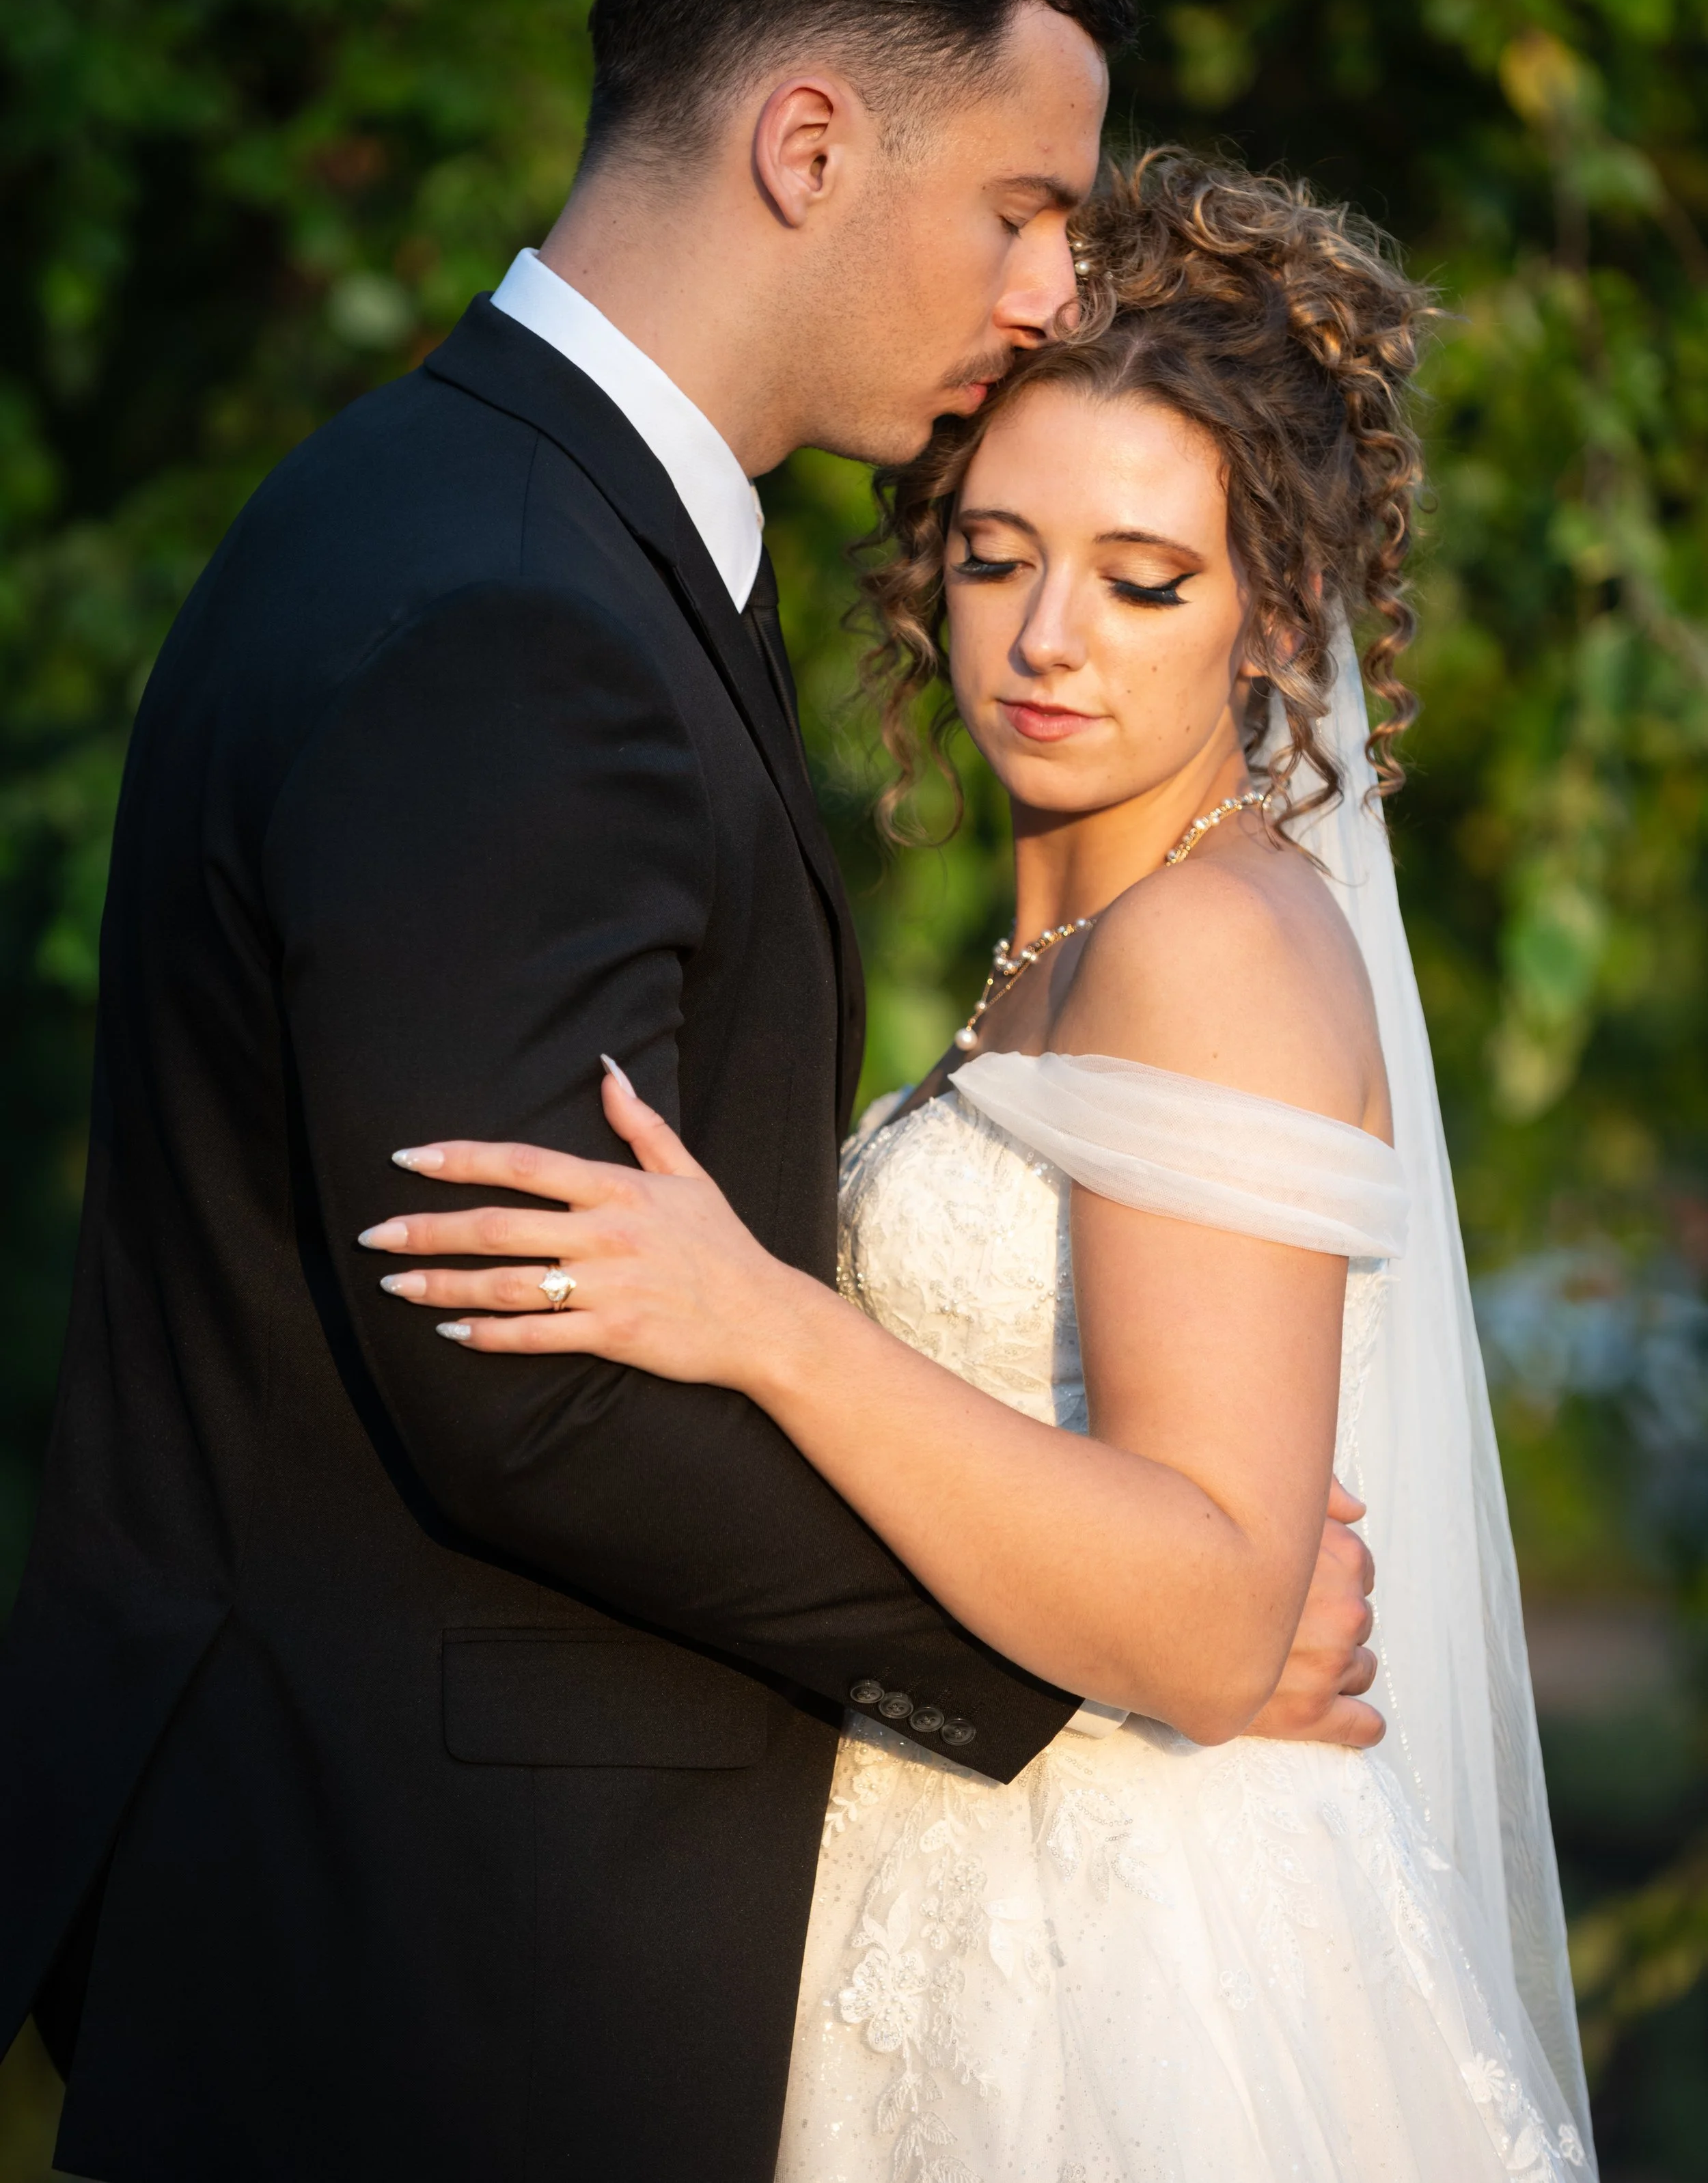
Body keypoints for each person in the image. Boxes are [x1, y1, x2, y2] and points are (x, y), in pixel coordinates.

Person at [0, 0, 1377, 2183]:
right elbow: (521, 1375)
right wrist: (1121, 1649)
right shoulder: (518, 609)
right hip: (436, 1952)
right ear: (808, 139)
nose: (1053, 287)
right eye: (1025, 205)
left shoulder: (471, 519)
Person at [367, 152, 1596, 2177]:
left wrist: (763, 1318)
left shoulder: (1208, 943)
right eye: (996, 551)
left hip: (1128, 1962)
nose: (1047, 640)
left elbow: (1209, 1616)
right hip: (953, 1864)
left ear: (1276, 610)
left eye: (1143, 578)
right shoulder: (1066, 950)